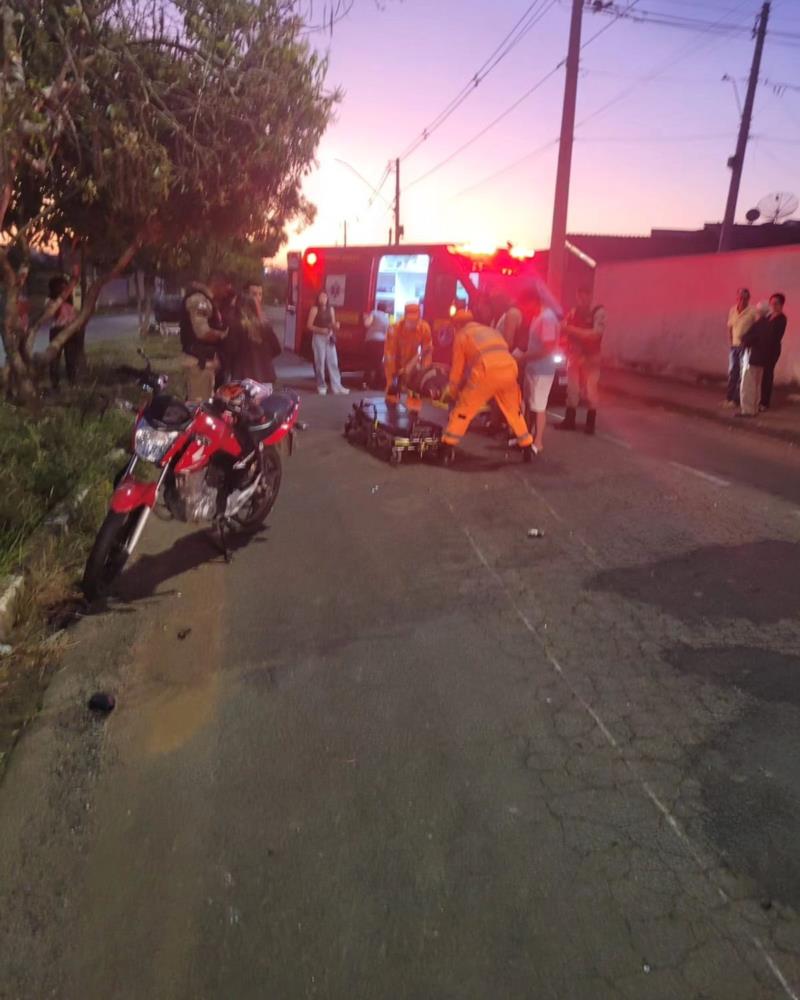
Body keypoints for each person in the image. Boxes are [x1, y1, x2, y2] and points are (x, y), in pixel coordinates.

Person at [438, 309, 534, 462]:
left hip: (486, 371)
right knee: (513, 411)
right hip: (509, 369)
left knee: (463, 410)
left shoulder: (462, 336)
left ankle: (447, 446)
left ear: (457, 325)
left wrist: (452, 390)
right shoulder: (490, 331)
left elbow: (458, 368)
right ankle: (527, 445)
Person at [514, 300, 561, 454]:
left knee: (539, 407)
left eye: (524, 305)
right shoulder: (536, 317)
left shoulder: (547, 319)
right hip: (532, 368)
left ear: (533, 302)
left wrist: (526, 356)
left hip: (542, 370)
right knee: (528, 403)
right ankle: (525, 437)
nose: (523, 310)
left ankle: (538, 441)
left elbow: (547, 349)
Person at [557, 287, 605, 435]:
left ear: (590, 296)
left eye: (585, 296)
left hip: (591, 356)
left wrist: (571, 330)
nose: (582, 300)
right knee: (572, 390)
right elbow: (563, 326)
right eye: (580, 297)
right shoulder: (574, 311)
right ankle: (569, 420)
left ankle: (590, 425)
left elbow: (596, 334)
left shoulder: (599, 312)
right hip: (575, 354)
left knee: (591, 391)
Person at [179, 272, 230, 400]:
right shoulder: (199, 300)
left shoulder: (207, 300)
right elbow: (202, 333)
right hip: (199, 363)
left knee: (205, 404)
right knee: (199, 407)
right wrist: (223, 335)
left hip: (204, 362)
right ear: (218, 285)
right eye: (225, 289)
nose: (225, 294)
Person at [227, 291, 282, 389]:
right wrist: (264, 359)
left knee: (243, 404)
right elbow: (277, 349)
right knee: (264, 404)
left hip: (242, 377)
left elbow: (230, 351)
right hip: (265, 376)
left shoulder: (236, 326)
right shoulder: (265, 326)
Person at [383, 302, 432, 412]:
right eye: (410, 320)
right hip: (395, 365)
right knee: (392, 391)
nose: (412, 323)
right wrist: (392, 377)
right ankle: (391, 412)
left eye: (415, 320)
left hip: (413, 365)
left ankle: (413, 417)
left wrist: (423, 372)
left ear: (419, 318)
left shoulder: (424, 328)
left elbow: (427, 351)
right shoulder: (394, 329)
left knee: (415, 390)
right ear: (405, 318)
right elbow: (390, 354)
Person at [47, 275, 84, 390]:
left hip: (71, 330)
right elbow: (53, 313)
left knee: (71, 359)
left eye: (65, 287)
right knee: (54, 360)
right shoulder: (50, 301)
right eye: (61, 287)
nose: (64, 289)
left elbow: (78, 313)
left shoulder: (73, 301)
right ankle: (55, 384)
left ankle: (72, 383)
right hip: (57, 331)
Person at [307, 290, 348, 395]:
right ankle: (321, 385)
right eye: (321, 297)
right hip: (318, 337)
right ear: (318, 299)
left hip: (329, 337)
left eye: (325, 297)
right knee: (320, 362)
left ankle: (337, 386)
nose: (323, 299)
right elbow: (309, 325)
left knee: (333, 361)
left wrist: (336, 325)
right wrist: (321, 330)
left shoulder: (331, 309)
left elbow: (332, 323)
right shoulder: (314, 309)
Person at [738, 302, 772, 417]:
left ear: (760, 312)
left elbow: (749, 338)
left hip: (752, 357)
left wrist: (743, 338)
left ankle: (747, 411)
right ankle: (754, 408)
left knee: (748, 385)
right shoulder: (769, 325)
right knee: (757, 385)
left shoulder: (758, 325)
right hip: (762, 359)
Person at [725, 287, 756, 407]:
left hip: (745, 348)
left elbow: (757, 328)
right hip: (734, 347)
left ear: (749, 298)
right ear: (737, 298)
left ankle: (737, 400)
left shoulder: (753, 311)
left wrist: (749, 341)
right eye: (740, 297)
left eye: (745, 297)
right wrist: (731, 341)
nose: (742, 300)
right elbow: (730, 326)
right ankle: (729, 398)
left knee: (742, 374)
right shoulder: (733, 310)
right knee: (733, 372)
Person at [761, 292, 788, 410]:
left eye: (776, 303)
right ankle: (758, 399)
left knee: (767, 375)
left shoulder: (781, 319)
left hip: (772, 350)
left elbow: (774, 336)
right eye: (771, 303)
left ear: (781, 305)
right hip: (762, 349)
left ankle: (765, 402)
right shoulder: (767, 316)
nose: (773, 305)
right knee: (760, 375)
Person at [363, 302, 390, 389]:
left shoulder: (374, 313)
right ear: (385, 309)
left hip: (371, 341)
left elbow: (367, 323)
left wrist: (365, 318)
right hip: (381, 342)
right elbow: (388, 332)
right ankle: (379, 384)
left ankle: (366, 383)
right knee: (378, 363)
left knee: (369, 363)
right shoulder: (386, 319)